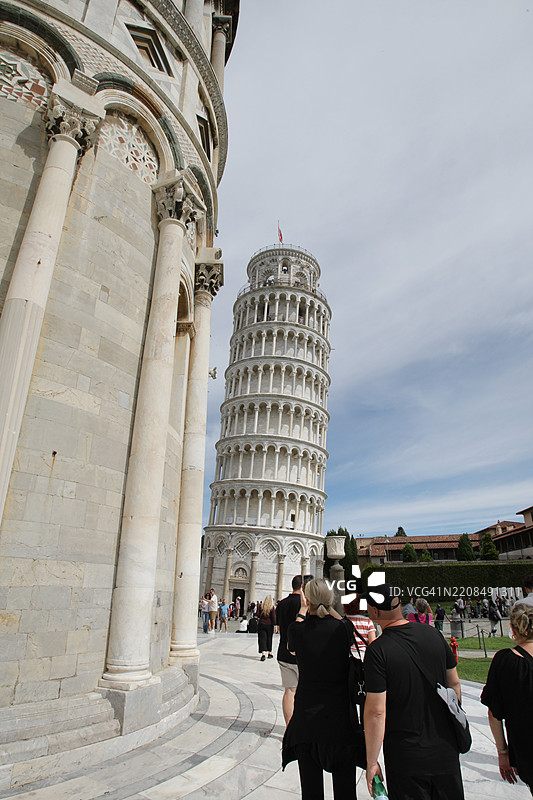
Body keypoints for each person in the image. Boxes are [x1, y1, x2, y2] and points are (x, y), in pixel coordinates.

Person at [363, 583, 464, 800]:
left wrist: (372, 762)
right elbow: (454, 684)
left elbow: (376, 712)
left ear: (374, 611)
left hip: (406, 755)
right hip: (445, 748)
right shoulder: (433, 635)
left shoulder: (378, 651)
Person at [282, 579, 359, 800]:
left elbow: (291, 645)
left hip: (307, 720)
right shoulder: (343, 628)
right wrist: (329, 608)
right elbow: (342, 621)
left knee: (311, 792)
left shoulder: (298, 630)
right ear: (330, 599)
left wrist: (304, 610)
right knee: (346, 792)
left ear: (306, 600)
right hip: (340, 719)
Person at [481, 603, 533, 795]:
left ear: (512, 628)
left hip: (527, 751)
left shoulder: (506, 661)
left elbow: (494, 713)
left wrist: (503, 753)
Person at [276, 575, 305, 724]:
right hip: (301, 654)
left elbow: (279, 626)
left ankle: (289, 727)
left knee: (289, 691)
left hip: (283, 651)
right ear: (302, 588)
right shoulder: (305, 606)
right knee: (304, 693)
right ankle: (302, 726)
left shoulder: (282, 604)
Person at [257, 594, 276, 660]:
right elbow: (273, 617)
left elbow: (257, 614)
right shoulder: (271, 607)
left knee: (262, 639)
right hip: (269, 625)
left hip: (262, 624)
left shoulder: (261, 606)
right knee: (269, 638)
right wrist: (275, 624)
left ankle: (263, 654)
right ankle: (269, 653)